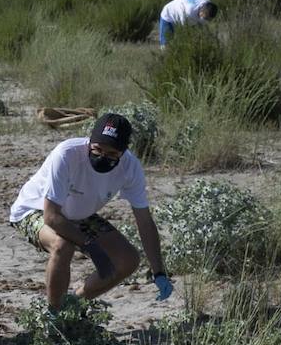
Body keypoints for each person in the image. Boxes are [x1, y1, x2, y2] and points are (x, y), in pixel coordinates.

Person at [9, 113, 173, 308]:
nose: (103, 157)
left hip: (78, 215)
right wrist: (91, 247)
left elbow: (144, 221)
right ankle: (53, 315)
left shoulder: (131, 167)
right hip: (34, 210)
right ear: (89, 141)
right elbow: (52, 216)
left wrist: (159, 272)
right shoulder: (67, 154)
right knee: (62, 246)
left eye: (112, 154)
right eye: (97, 150)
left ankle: (72, 305)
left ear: (124, 151)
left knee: (128, 260)